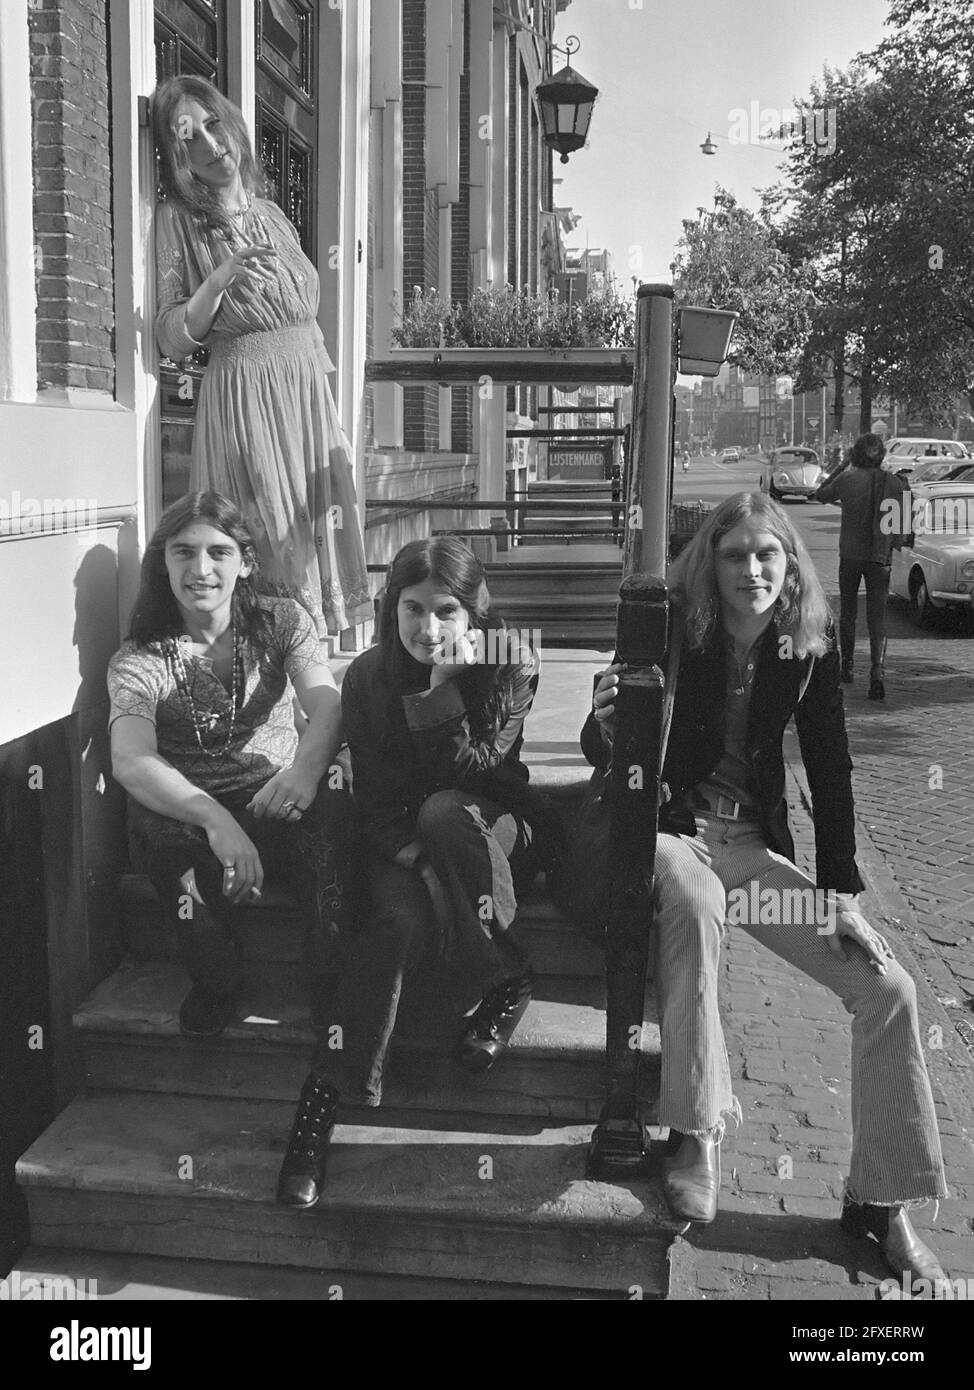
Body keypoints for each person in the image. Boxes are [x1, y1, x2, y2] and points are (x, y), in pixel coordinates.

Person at [583, 491, 948, 1286]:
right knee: (696, 901)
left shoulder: (806, 649)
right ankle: (696, 1132)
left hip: (749, 858)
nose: (751, 570)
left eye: (767, 555)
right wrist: (604, 720)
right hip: (671, 834)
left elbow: (830, 767)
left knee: (888, 987)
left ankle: (880, 1201)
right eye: (734, 555)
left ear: (789, 568)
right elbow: (603, 743)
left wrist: (840, 894)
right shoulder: (675, 629)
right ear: (709, 566)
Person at [276, 537, 557, 1208]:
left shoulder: (511, 661)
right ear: (390, 607)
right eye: (411, 609)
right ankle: (319, 1111)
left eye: (445, 611)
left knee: (442, 810)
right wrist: (419, 868)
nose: (428, 629)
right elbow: (373, 807)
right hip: (401, 842)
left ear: (472, 614)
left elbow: (481, 769)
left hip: (491, 827)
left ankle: (503, 979)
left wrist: (439, 690)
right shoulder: (368, 678)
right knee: (396, 921)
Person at [107, 492, 351, 1038]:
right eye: (183, 552)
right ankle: (219, 979)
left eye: (219, 552)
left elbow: (327, 703)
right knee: (177, 862)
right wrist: (217, 821)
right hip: (188, 812)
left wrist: (305, 773)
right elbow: (130, 759)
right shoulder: (139, 659)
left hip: (277, 790)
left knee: (330, 837)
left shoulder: (284, 621)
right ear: (162, 562)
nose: (201, 569)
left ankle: (331, 983)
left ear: (245, 563)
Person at [150, 75, 371, 639]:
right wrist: (217, 282)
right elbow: (170, 334)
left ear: (233, 125)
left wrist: (333, 425)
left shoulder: (273, 213)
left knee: (313, 538)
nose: (209, 143)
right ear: (179, 158)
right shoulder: (180, 220)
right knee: (268, 542)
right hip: (246, 398)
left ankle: (306, 694)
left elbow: (306, 324)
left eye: (213, 124)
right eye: (189, 138)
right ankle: (267, 698)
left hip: (307, 402)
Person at [812, 432, 908, 701]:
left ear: (856, 454)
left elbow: (820, 494)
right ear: (881, 456)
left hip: (850, 556)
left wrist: (841, 465)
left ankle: (848, 667)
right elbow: (901, 530)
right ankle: (877, 672)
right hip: (880, 558)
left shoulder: (847, 479)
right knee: (877, 618)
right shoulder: (895, 483)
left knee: (849, 614)